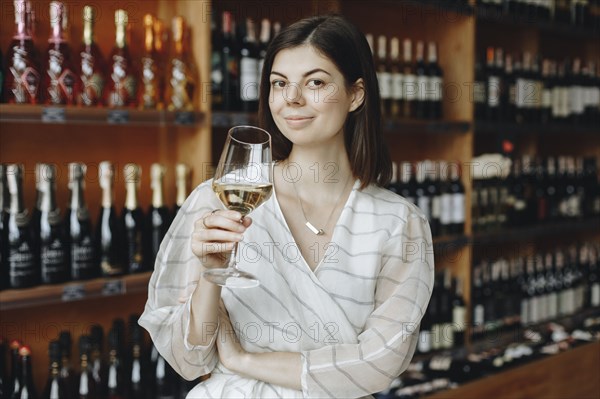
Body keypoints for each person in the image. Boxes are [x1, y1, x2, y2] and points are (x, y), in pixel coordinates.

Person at [139, 14, 434, 398]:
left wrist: (242, 360)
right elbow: (188, 359)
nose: (291, 98)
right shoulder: (215, 200)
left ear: (356, 94)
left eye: (315, 82)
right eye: (279, 84)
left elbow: (380, 363)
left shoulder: (398, 222)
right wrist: (211, 276)